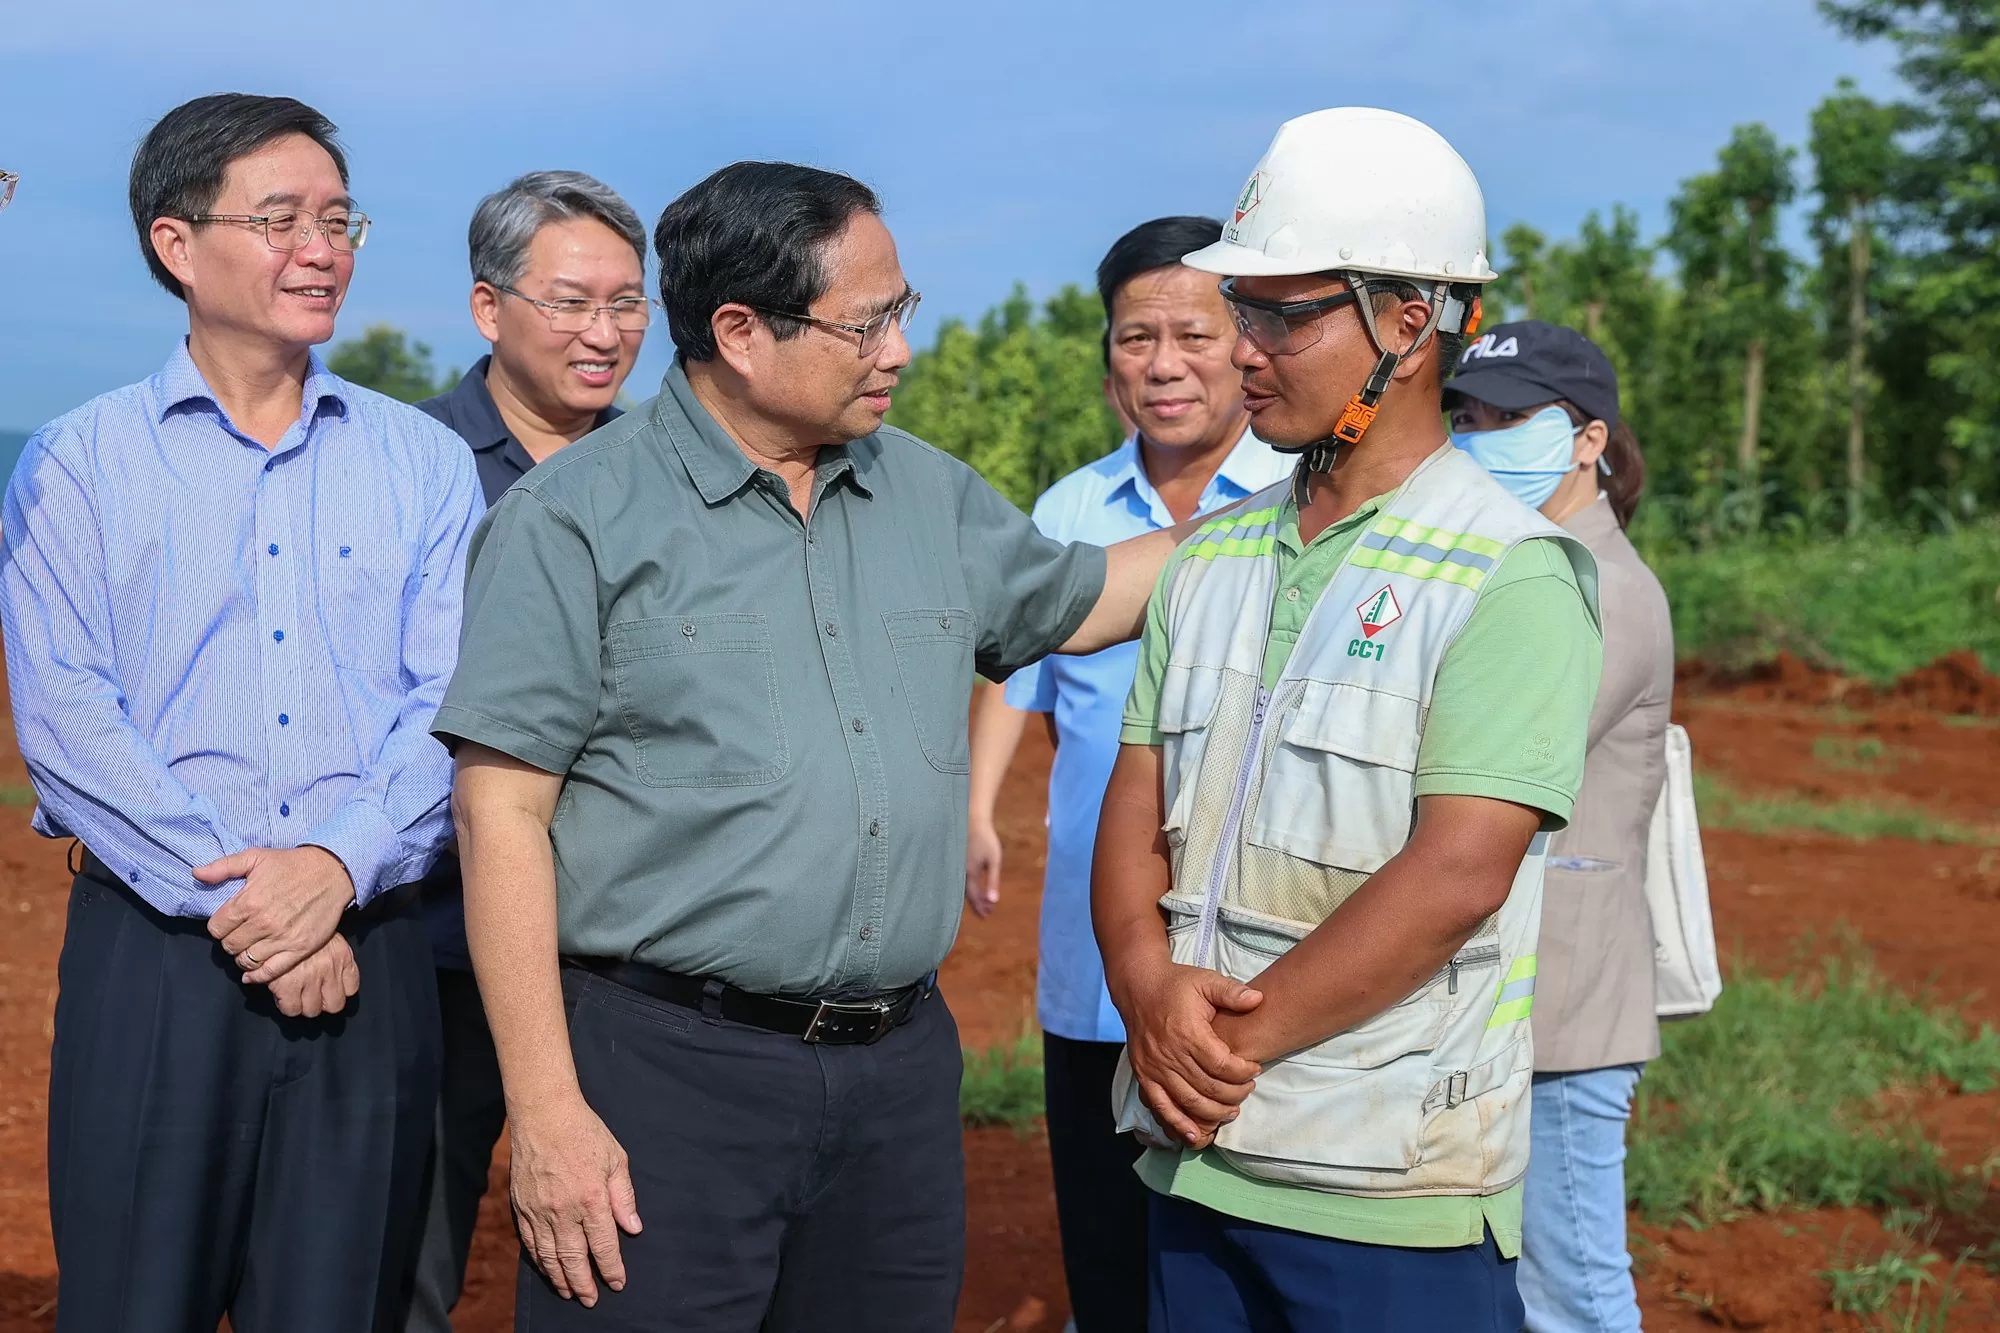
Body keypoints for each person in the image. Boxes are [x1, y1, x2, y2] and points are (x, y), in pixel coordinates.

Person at [431, 160, 1205, 1332]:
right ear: (738, 331)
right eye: (867, 323)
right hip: (665, 1077)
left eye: (902, 312)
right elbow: (499, 819)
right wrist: (544, 1112)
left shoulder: (925, 495)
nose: (897, 350)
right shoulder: (573, 520)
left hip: (894, 1079)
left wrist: (1312, 499)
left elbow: (1088, 597)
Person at [1093, 107, 1603, 1331]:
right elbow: (1134, 802)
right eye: (1240, 312)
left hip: (1381, 1182)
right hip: (1193, 1155)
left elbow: (1456, 874)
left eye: (1282, 315)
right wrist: (1140, 982)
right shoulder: (1209, 554)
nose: (1241, 350)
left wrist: (1219, 1046)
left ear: (1408, 324)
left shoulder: (1508, 573)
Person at [0, 93, 483, 1331]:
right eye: (280, 219)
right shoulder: (74, 460)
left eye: (338, 219)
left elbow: (454, 700)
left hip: (368, 952)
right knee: (132, 1303)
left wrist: (335, 865)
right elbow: (67, 719)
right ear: (176, 243)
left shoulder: (418, 462)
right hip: (155, 959)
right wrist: (261, 905)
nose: (321, 248)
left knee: (344, 1307)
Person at [963, 214, 1291, 1333]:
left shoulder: (1310, 499)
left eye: (1191, 334)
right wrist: (975, 806)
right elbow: (1018, 677)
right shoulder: (1070, 513)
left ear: (1247, 338)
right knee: (1107, 1246)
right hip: (1096, 947)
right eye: (1133, 336)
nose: (1161, 364)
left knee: (1247, 1247)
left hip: (1266, 946)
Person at [404, 169, 650, 1333]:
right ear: (488, 309)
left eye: (628, 303)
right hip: (440, 944)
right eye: (569, 302)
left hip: (633, 963)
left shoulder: (672, 474)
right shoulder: (412, 471)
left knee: (627, 1256)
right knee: (407, 1251)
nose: (604, 334)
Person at [1446, 320, 1671, 1333]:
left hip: (1568, 1014)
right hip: (1511, 993)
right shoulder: (1522, 560)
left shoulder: (1603, 587)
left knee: (1571, 1290)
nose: (1478, 436)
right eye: (1465, 416)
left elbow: (1492, 754)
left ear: (1586, 439)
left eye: (1509, 418)